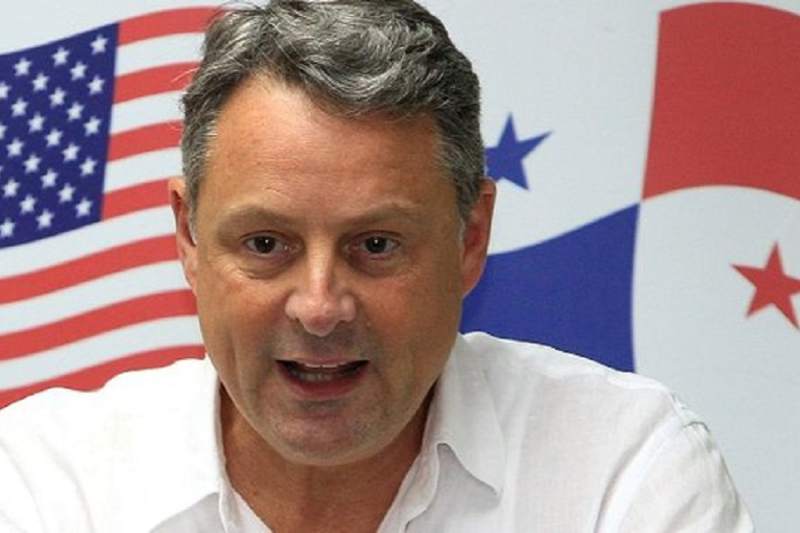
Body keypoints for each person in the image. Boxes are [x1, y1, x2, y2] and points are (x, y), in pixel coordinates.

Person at [0, 1, 753, 531]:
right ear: (189, 238)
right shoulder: (44, 487)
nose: (320, 306)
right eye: (266, 244)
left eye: (376, 246)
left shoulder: (622, 471)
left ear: (470, 237)